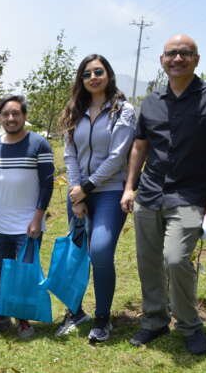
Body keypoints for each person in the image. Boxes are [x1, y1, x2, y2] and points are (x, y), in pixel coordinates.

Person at [121, 34, 206, 355]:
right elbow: (140, 147)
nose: (177, 59)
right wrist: (130, 186)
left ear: (196, 59)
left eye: (185, 53)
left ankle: (189, 324)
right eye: (171, 53)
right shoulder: (152, 101)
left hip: (189, 196)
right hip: (149, 194)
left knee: (175, 259)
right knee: (148, 262)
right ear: (162, 60)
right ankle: (155, 320)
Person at [53, 55, 136, 342]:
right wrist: (76, 192)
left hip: (109, 191)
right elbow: (69, 154)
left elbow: (118, 156)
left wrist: (86, 187)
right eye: (87, 74)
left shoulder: (122, 111)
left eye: (98, 72)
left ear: (108, 74)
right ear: (81, 79)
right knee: (75, 254)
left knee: (99, 251)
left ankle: (102, 318)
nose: (93, 77)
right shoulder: (75, 110)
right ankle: (74, 312)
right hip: (79, 193)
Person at [0, 96, 55, 340]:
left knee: (24, 272)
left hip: (28, 223)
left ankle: (22, 319)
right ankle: (3, 317)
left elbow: (47, 185)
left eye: (16, 113)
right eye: (6, 114)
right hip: (0, 221)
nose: (11, 118)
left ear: (24, 116)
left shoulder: (39, 144)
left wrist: (37, 218)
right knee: (4, 270)